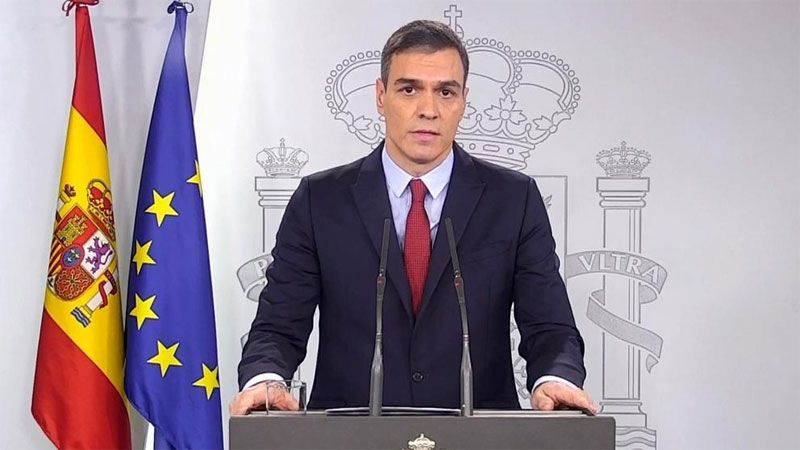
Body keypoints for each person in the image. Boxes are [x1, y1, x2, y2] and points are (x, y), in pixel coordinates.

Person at [230, 20, 595, 415]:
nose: (428, 110)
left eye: (445, 92)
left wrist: (556, 379)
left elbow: (550, 326)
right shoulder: (320, 201)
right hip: (351, 433)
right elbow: (278, 326)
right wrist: (265, 381)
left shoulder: (513, 200)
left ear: (464, 101)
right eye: (409, 89)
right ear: (380, 96)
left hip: (478, 434)